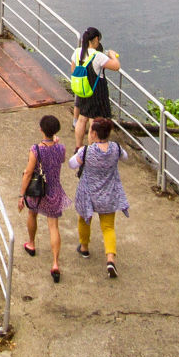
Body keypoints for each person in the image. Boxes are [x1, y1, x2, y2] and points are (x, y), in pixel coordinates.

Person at [71, 116, 129, 277]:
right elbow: (125, 157)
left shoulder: (87, 151)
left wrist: (80, 155)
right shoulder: (115, 148)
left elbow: (72, 164)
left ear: (94, 134)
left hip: (88, 193)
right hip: (109, 193)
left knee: (84, 219)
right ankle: (110, 259)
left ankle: (84, 248)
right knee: (108, 227)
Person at [19, 113, 68, 283]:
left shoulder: (36, 150)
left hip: (37, 191)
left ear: (41, 130)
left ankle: (31, 243)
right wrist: (57, 143)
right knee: (53, 226)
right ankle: (55, 262)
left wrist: (21, 194)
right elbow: (62, 160)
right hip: (54, 190)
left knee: (32, 215)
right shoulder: (60, 148)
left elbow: (28, 173)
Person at [69, 27, 119, 145]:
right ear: (96, 39)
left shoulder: (77, 52)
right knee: (94, 122)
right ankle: (92, 149)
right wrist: (112, 55)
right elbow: (116, 66)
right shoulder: (97, 56)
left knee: (82, 119)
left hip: (82, 90)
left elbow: (73, 71)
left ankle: (79, 147)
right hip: (96, 92)